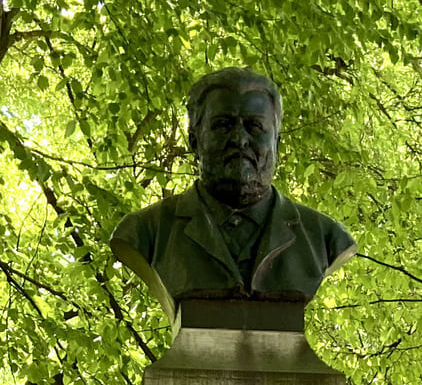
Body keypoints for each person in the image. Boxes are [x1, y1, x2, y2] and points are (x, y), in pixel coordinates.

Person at [110, 68, 356, 323]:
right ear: (194, 141)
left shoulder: (325, 239)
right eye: (222, 125)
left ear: (276, 142)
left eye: (255, 126)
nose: (239, 139)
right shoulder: (146, 232)